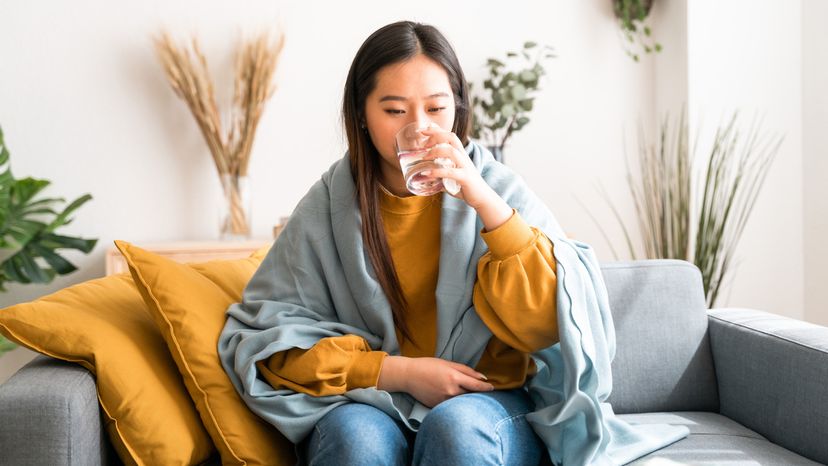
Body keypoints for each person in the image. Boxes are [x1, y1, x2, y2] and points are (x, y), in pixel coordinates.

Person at [218, 19, 687, 466]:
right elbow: (267, 338)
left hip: (489, 398)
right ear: (361, 115)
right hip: (369, 397)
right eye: (395, 110)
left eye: (437, 108)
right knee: (354, 438)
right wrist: (397, 372)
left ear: (459, 107)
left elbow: (549, 324)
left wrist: (484, 200)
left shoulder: (500, 190)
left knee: (457, 429)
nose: (419, 126)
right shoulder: (326, 207)